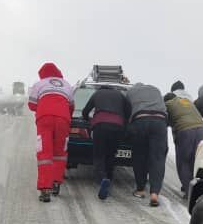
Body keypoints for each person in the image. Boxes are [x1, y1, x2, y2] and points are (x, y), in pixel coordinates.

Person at [28, 62, 75, 203]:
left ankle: (45, 189)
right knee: (60, 152)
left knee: (44, 154)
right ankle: (56, 183)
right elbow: (72, 106)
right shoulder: (67, 85)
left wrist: (43, 107)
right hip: (63, 118)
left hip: (44, 119)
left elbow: (31, 105)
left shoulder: (39, 84)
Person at [81, 84, 131, 200]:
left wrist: (88, 119)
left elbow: (86, 111)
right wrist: (124, 122)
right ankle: (108, 178)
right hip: (117, 126)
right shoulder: (120, 95)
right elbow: (129, 110)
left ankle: (102, 179)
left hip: (100, 125)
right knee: (110, 155)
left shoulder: (97, 94)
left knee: (99, 155)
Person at [126, 83, 168, 207]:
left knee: (139, 156)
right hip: (160, 121)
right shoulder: (156, 89)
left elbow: (126, 111)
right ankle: (155, 193)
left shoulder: (131, 92)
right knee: (158, 158)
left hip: (140, 120)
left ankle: (140, 190)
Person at [164, 91, 203, 197]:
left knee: (183, 162)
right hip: (202, 130)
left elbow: (166, 122)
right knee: (195, 161)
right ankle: (198, 190)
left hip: (185, 131)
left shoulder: (168, 104)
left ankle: (190, 193)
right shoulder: (186, 101)